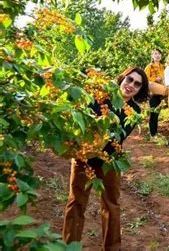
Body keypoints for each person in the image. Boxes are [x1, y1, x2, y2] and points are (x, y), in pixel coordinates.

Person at [62, 67, 149, 251]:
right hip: (84, 158)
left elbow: (117, 138)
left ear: (140, 89)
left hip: (110, 161)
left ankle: (112, 247)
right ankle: (69, 246)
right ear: (122, 78)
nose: (131, 85)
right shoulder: (100, 96)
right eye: (129, 79)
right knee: (76, 203)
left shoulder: (133, 112)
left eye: (137, 84)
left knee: (111, 205)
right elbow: (82, 121)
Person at [144, 49, 165, 139]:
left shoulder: (162, 67)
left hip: (161, 93)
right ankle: (153, 134)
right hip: (153, 93)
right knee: (153, 113)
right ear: (152, 56)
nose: (157, 55)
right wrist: (155, 80)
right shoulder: (149, 67)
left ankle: (154, 132)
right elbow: (145, 80)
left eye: (159, 54)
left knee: (157, 113)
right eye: (155, 54)